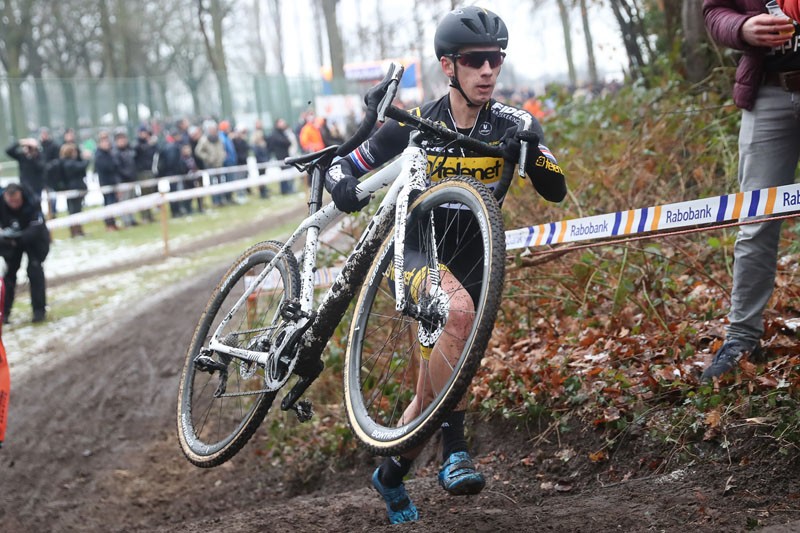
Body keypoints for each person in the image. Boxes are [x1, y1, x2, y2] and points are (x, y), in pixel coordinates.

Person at [324, 6, 566, 524]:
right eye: (476, 60)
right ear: (448, 67)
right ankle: (455, 452)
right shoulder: (417, 124)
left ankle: (389, 478)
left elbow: (556, 188)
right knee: (454, 317)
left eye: (495, 60)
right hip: (418, 247)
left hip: (478, 254)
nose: (487, 71)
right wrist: (341, 185)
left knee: (435, 386)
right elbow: (346, 163)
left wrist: (534, 152)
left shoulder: (513, 121)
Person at [701, 1, 798, 380]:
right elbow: (714, 12)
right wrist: (742, 29)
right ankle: (742, 339)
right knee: (756, 220)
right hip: (768, 92)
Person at [0, 183, 50, 324]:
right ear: (5, 198)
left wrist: (19, 239)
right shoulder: (1, 204)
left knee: (35, 271)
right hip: (11, 242)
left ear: (21, 196)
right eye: (11, 202)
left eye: (17, 201)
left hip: (33, 240)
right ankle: (4, 313)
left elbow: (38, 226)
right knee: (8, 276)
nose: (14, 205)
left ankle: (39, 311)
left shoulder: (32, 201)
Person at [45, 143, 90, 237]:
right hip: (74, 189)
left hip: (69, 189)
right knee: (75, 210)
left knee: (74, 210)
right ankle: (75, 231)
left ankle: (77, 231)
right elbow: (82, 166)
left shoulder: (62, 162)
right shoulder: (69, 163)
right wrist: (86, 158)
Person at [5, 138, 46, 203]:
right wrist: (20, 142)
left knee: (36, 203)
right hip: (24, 185)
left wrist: (33, 154)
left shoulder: (39, 156)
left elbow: (41, 167)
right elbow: (8, 151)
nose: (28, 149)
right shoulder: (22, 157)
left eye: (30, 147)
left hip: (36, 185)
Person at [94, 132, 120, 231]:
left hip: (112, 181)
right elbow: (107, 167)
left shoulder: (110, 153)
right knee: (108, 203)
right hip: (105, 182)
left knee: (113, 203)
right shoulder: (99, 155)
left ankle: (113, 223)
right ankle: (109, 224)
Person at [267, 118, 297, 194]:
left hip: (286, 156)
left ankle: (288, 189)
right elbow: (285, 142)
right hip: (281, 157)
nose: (283, 124)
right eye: (281, 122)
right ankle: (285, 190)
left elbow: (288, 142)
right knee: (284, 174)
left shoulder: (282, 132)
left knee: (288, 174)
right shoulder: (275, 134)